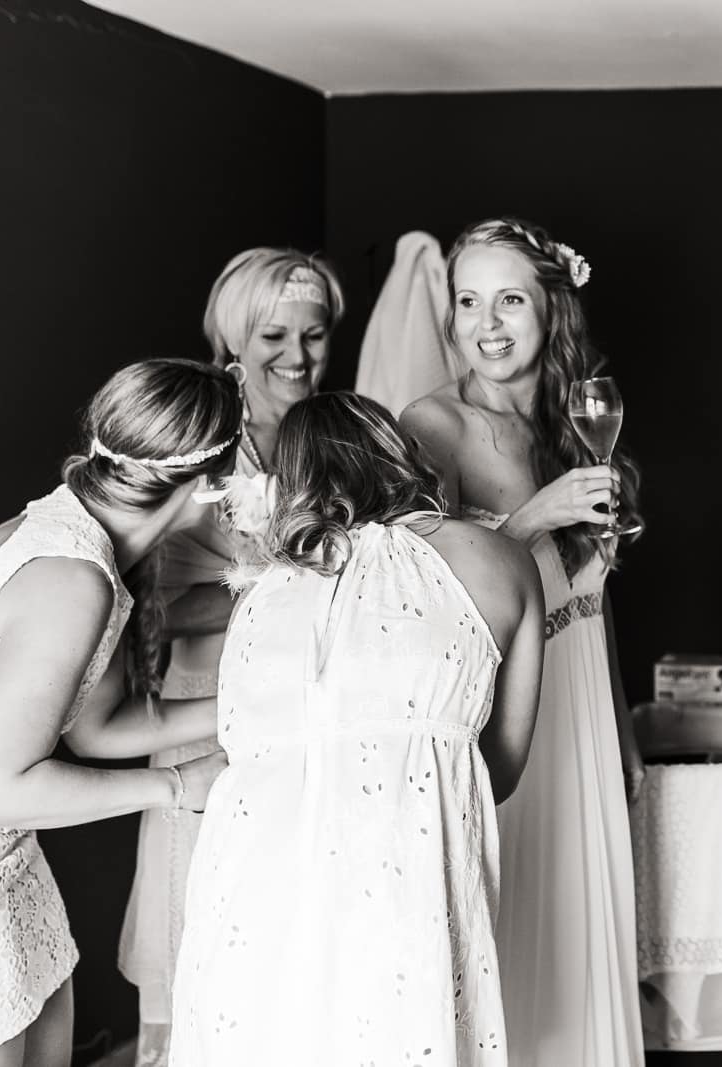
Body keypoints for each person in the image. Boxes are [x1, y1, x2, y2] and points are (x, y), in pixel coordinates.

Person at [169, 391, 545, 1066]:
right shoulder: (502, 561)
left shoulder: (263, 597)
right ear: (400, 452)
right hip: (406, 887)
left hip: (254, 905)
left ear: (292, 481)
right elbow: (502, 769)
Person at [0, 358, 240, 1067]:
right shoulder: (73, 577)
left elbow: (97, 729)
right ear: (207, 485)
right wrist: (176, 786)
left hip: (5, 864)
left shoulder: (78, 534)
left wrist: (247, 708)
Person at [399, 217, 645, 1066]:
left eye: (509, 300)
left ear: (552, 309)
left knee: (585, 927)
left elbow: (592, 601)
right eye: (468, 301)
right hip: (508, 708)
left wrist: (622, 729)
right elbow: (422, 587)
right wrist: (536, 515)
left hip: (584, 704)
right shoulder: (435, 423)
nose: (487, 324)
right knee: (521, 930)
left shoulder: (580, 419)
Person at [118, 248, 344, 1064]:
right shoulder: (203, 448)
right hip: (207, 716)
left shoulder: (330, 441)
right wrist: (274, 581)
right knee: (209, 929)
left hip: (306, 715)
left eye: (314, 334)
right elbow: (150, 609)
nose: (297, 356)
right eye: (274, 336)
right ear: (233, 342)